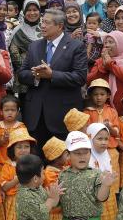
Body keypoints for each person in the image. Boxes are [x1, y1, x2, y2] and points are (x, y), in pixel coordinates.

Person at [18, 9, 87, 152]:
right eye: (42, 22)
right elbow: (22, 74)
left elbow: (80, 77)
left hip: (62, 115)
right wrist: (36, 76)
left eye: (47, 23)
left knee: (61, 158)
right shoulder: (34, 46)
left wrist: (52, 75)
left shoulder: (76, 46)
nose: (42, 25)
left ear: (60, 26)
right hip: (36, 115)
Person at [59, 131, 116, 220]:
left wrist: (106, 186)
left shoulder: (96, 174)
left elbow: (100, 197)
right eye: (77, 153)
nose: (82, 156)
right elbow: (57, 202)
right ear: (68, 155)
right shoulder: (62, 175)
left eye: (85, 152)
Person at [86, 123, 119, 220]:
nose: (104, 142)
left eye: (106, 139)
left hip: (109, 198)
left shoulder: (108, 154)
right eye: (99, 139)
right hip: (92, 200)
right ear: (90, 138)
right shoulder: (86, 156)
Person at [1, 128, 35, 220]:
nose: (23, 150)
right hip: (13, 204)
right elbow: (4, 186)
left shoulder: (34, 164)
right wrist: (16, 179)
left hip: (31, 203)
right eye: (19, 147)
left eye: (26, 146)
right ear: (12, 150)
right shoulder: (8, 167)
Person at [87, 31, 123, 113]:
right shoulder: (100, 61)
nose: (107, 45)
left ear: (121, 44)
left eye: (111, 42)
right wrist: (102, 67)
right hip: (104, 109)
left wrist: (111, 66)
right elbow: (89, 80)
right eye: (105, 42)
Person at [83, 80, 120, 191]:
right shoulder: (87, 112)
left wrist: (109, 127)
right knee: (96, 174)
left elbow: (117, 132)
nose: (99, 97)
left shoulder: (112, 112)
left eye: (102, 94)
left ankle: (112, 194)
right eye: (95, 94)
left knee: (111, 172)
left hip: (110, 148)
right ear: (90, 96)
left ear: (108, 95)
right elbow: (85, 132)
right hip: (93, 151)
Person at [9, 0, 42, 102]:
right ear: (24, 11)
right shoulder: (18, 31)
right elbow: (14, 54)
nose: (32, 13)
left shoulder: (46, 27)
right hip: (25, 78)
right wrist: (29, 70)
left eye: (35, 10)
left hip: (46, 75)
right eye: (29, 10)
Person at [42, 136, 69, 220]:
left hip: (62, 214)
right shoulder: (50, 174)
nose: (68, 157)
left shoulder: (61, 170)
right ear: (57, 157)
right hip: (55, 214)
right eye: (66, 154)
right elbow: (58, 193)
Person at [0, 94, 27, 165]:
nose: (10, 112)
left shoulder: (21, 126)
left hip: (16, 162)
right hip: (0, 161)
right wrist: (3, 139)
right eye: (6, 110)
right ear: (1, 112)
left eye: (13, 110)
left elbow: (24, 143)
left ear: (18, 112)